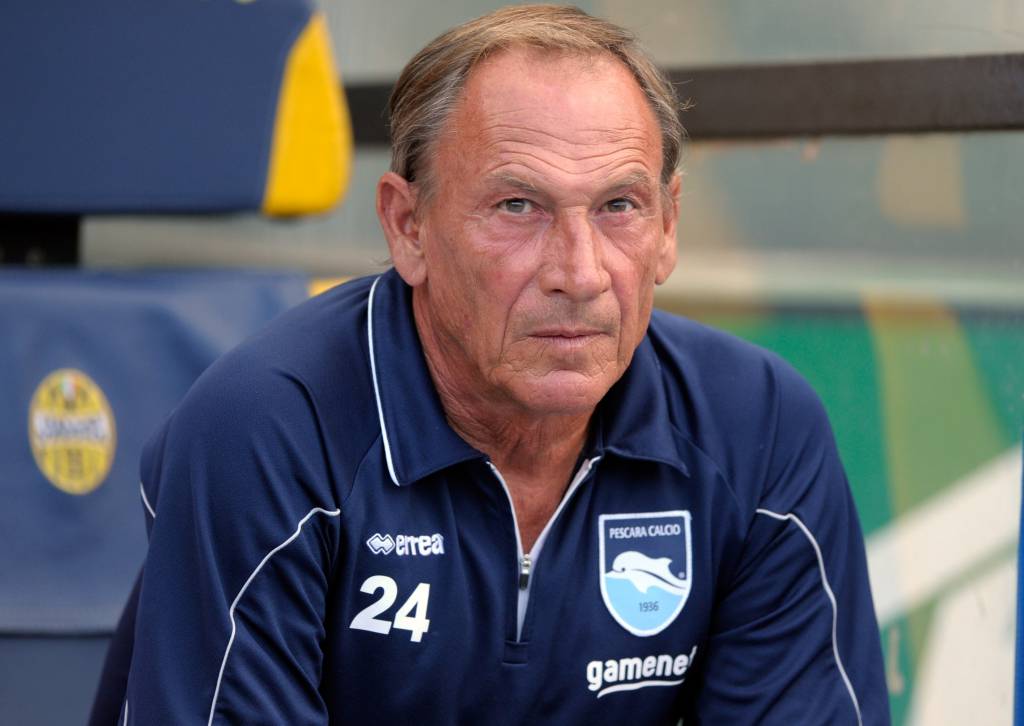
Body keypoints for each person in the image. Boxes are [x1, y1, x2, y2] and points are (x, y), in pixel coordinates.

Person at [118, 5, 888, 724]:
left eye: (619, 207)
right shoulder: (266, 430)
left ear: (668, 227)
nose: (579, 274)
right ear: (408, 226)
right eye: (519, 206)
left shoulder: (758, 428)